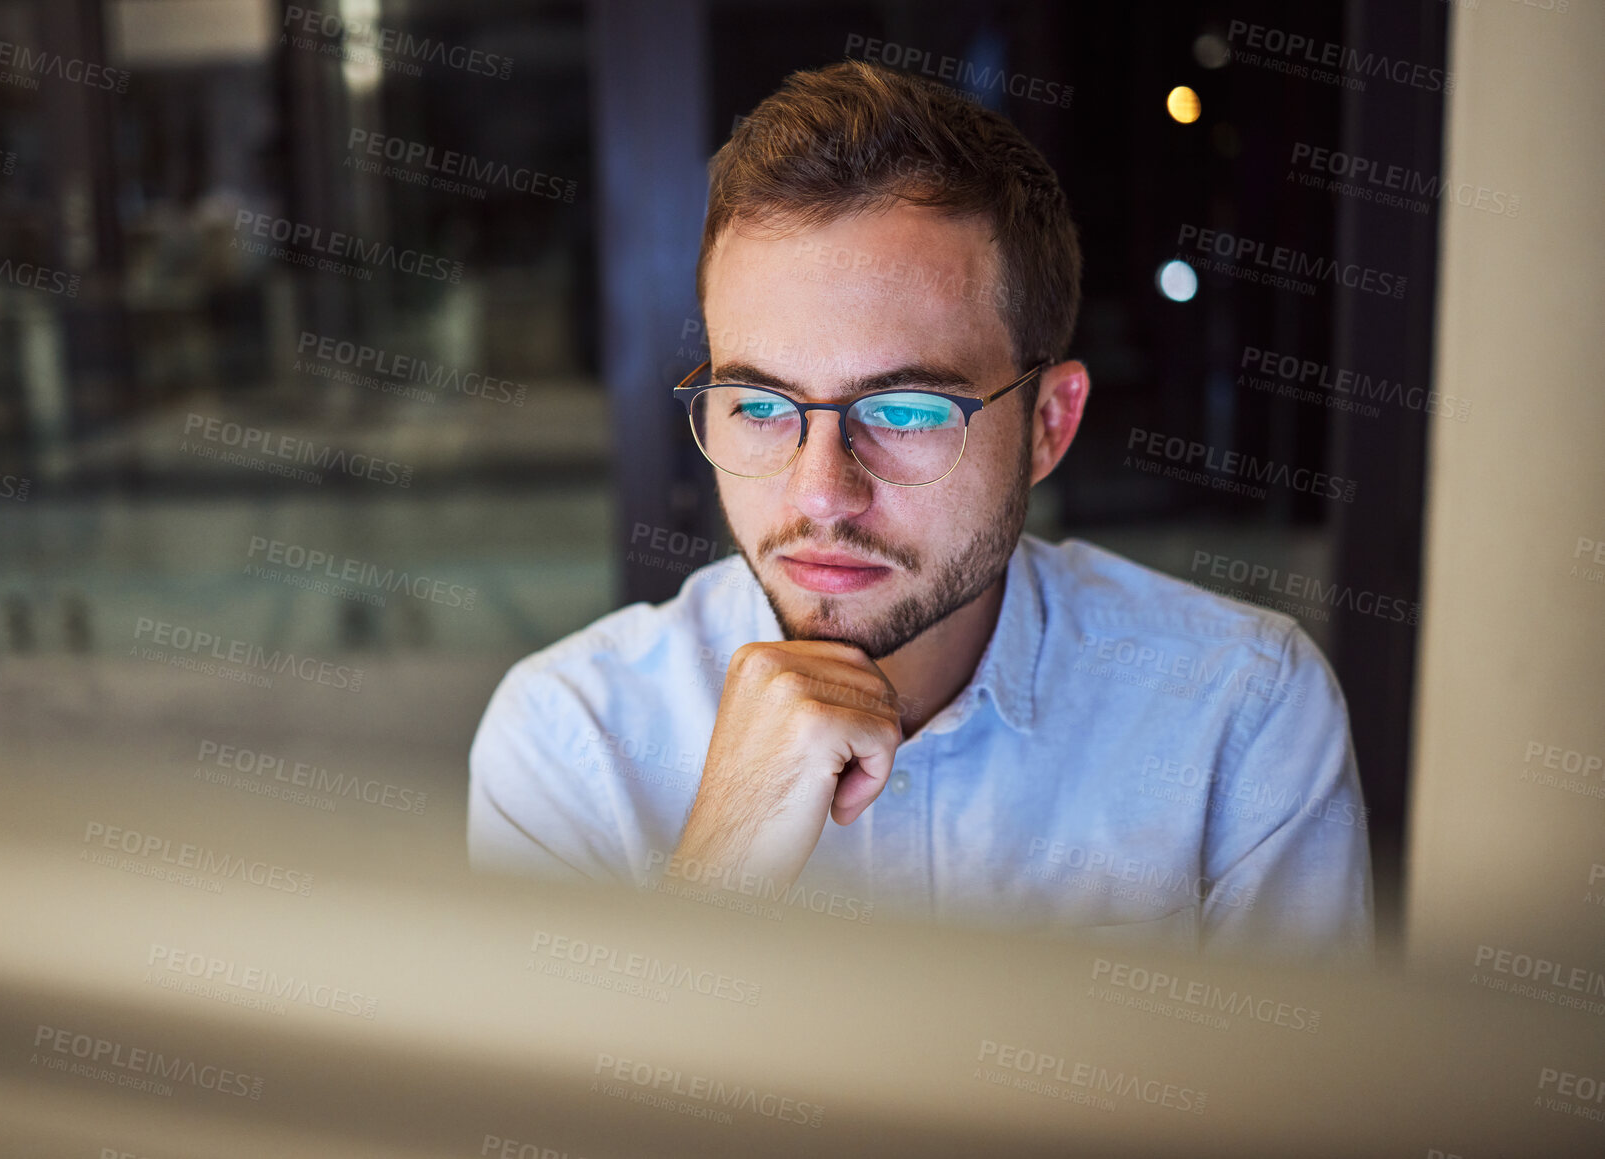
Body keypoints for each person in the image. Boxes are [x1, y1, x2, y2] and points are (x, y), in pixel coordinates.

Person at [468, 59, 1372, 962]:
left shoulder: (1239, 714)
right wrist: (719, 873)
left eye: (904, 413)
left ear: (1049, 425)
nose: (819, 493)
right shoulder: (570, 739)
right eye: (758, 405)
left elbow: (1296, 1104)